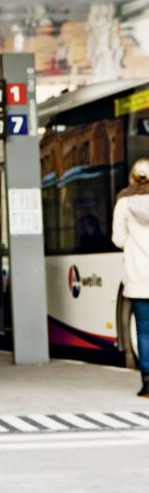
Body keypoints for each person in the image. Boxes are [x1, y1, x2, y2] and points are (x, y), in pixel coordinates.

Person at [112, 157, 149, 397]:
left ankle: (147, 381)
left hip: (138, 275)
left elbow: (117, 239)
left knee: (144, 330)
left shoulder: (124, 203)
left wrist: (132, 243)